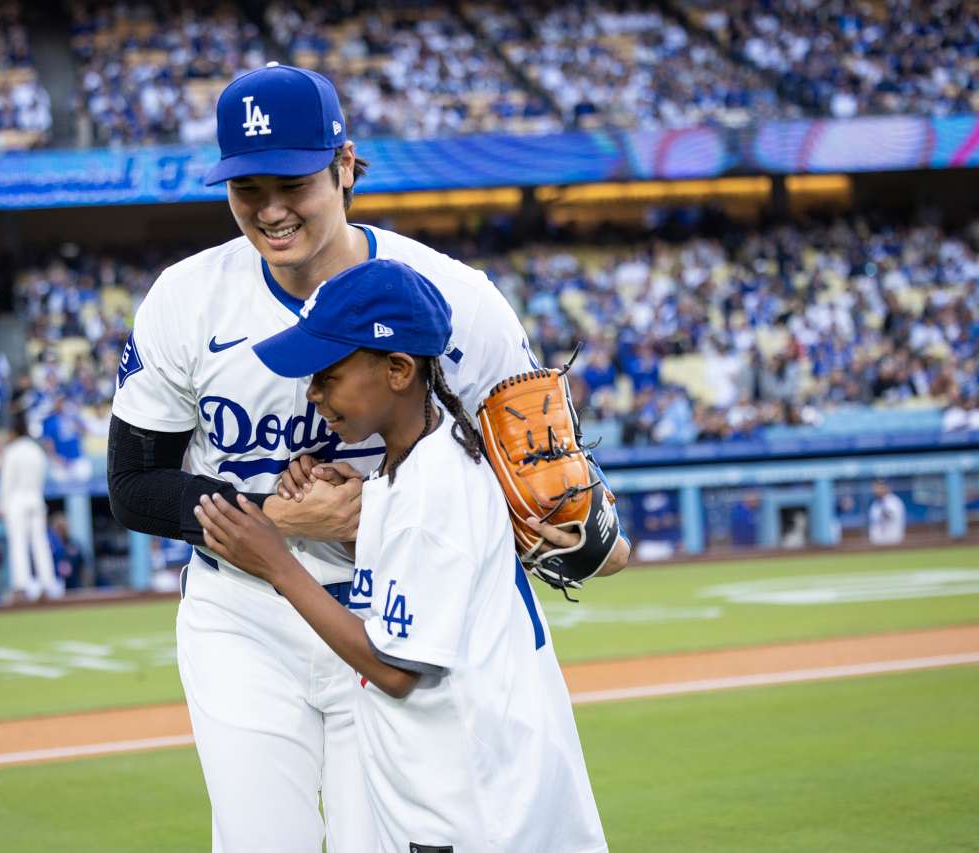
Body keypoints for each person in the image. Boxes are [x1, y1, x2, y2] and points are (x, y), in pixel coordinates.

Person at [106, 64, 629, 852]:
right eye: (247, 186)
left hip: (390, 608)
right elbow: (133, 485)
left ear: (346, 166)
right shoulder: (187, 299)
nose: (272, 208)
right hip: (242, 614)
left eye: (294, 180)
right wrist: (273, 520)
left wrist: (382, 518)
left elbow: (550, 494)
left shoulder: (457, 299)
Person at [195, 259, 610, 851]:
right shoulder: (409, 469)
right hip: (459, 794)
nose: (313, 394)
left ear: (396, 369)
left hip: (473, 810)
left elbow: (394, 668)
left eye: (327, 375)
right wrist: (352, 528)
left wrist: (278, 566)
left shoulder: (431, 490)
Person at [0, 422, 61, 602]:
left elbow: (6, 481)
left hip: (17, 500)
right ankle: (47, 584)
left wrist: (1, 505)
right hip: (36, 498)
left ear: (14, 433)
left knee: (18, 543)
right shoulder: (37, 451)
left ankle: (21, 586)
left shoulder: (12, 451)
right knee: (40, 543)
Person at [868, 479, 906, 546]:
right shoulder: (875, 504)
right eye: (875, 488)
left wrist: (884, 513)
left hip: (893, 539)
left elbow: (892, 516)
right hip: (878, 541)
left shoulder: (894, 501)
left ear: (886, 487)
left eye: (879, 487)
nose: (876, 490)